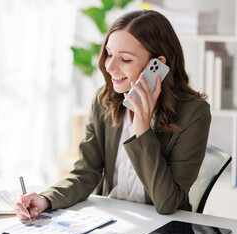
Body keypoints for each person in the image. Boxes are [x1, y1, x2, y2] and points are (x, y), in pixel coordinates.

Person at [14, 9, 211, 219]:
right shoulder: (105, 100)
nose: (110, 66)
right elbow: (85, 173)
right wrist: (46, 199)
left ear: (158, 64)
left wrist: (143, 131)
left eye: (125, 59)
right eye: (109, 54)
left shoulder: (193, 114)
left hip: (163, 228)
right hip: (113, 222)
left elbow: (167, 203)